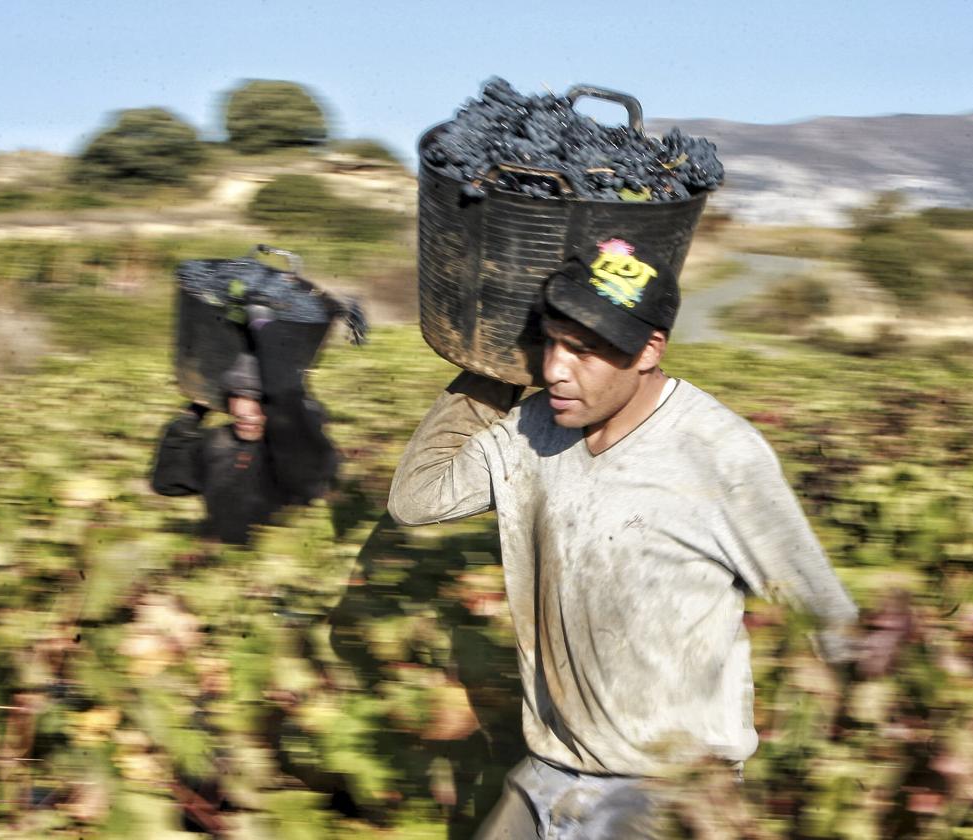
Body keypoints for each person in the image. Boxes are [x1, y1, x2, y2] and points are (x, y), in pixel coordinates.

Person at [387, 237, 858, 837]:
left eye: (584, 351)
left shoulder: (717, 454)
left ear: (648, 349)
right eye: (549, 341)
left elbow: (827, 617)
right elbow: (416, 499)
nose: (556, 368)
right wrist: (493, 366)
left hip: (664, 796)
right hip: (549, 773)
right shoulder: (534, 428)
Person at [151, 352, 337, 545]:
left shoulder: (296, 446)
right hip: (222, 560)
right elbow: (169, 484)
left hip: (286, 556)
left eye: (257, 398)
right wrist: (193, 414)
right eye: (237, 395)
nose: (245, 411)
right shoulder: (219, 443)